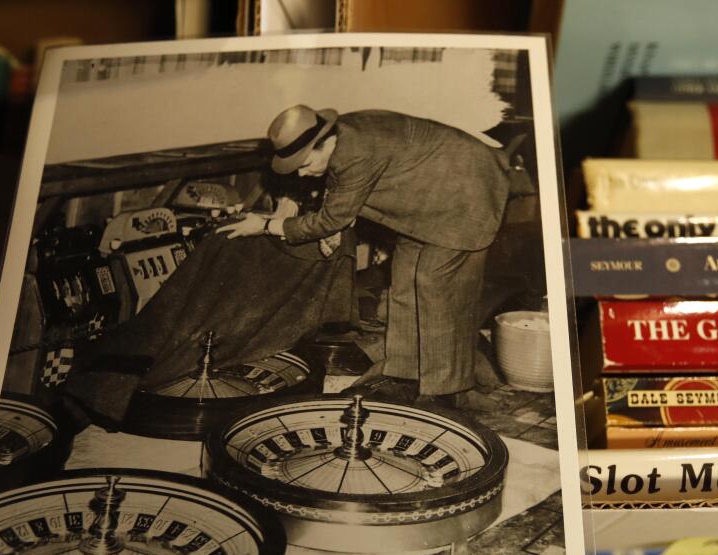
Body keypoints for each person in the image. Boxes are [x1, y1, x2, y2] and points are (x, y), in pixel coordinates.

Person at [219, 105, 512, 407]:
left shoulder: (355, 152)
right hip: (428, 201)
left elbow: (332, 217)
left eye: (305, 164)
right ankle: (404, 374)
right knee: (404, 281)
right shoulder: (342, 136)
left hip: (469, 194)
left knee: (435, 287)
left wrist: (267, 225)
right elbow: (342, 191)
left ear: (323, 143)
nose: (304, 174)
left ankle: (444, 392)